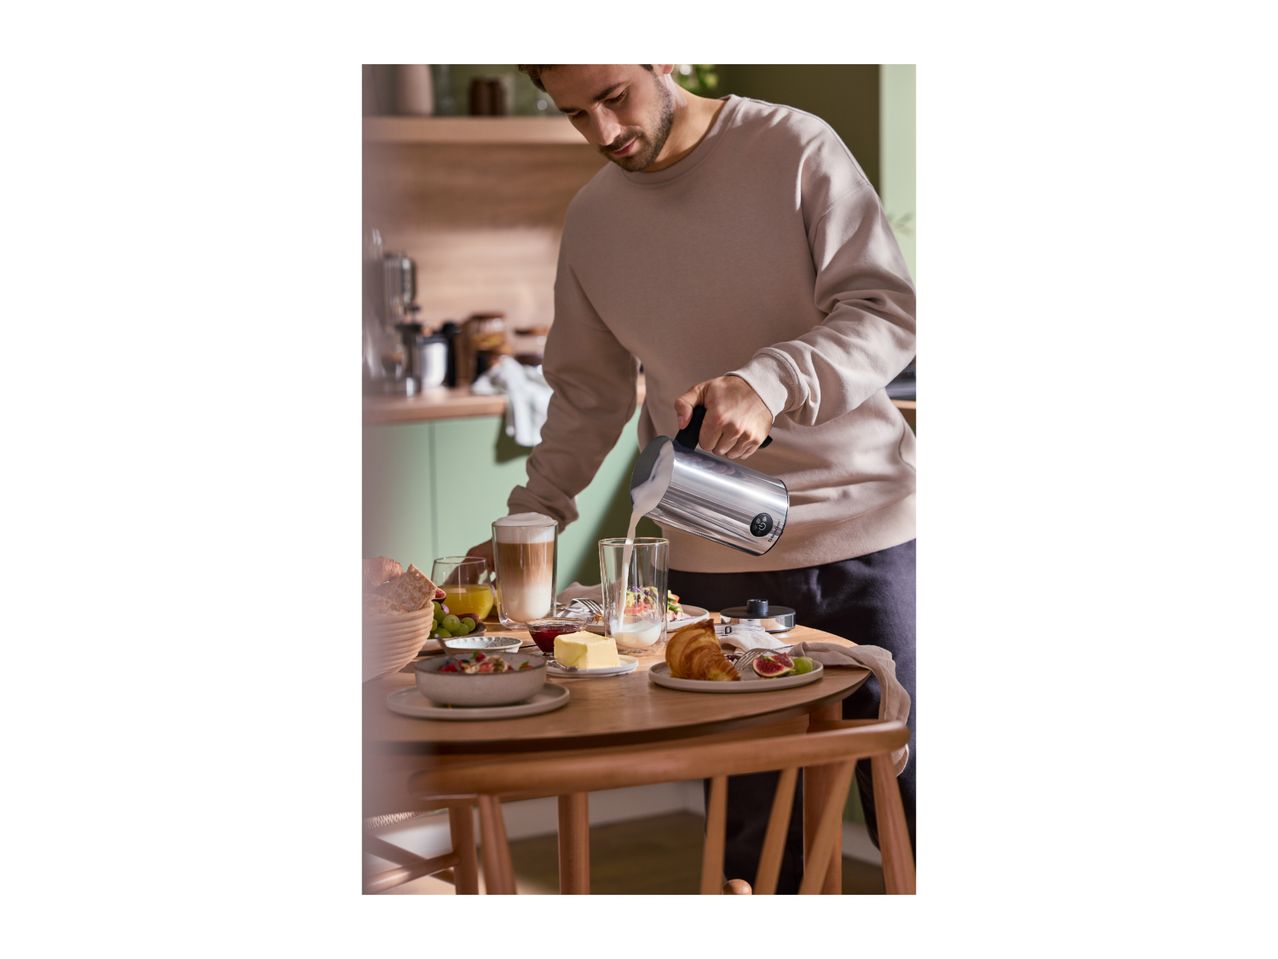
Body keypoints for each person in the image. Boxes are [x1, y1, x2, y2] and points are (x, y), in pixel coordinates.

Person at [468, 64, 916, 892]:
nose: (603, 133)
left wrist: (771, 381)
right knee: (751, 842)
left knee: (918, 805)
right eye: (574, 114)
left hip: (869, 538)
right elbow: (588, 397)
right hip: (716, 561)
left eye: (613, 97)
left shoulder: (794, 148)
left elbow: (887, 310)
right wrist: (530, 519)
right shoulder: (596, 218)